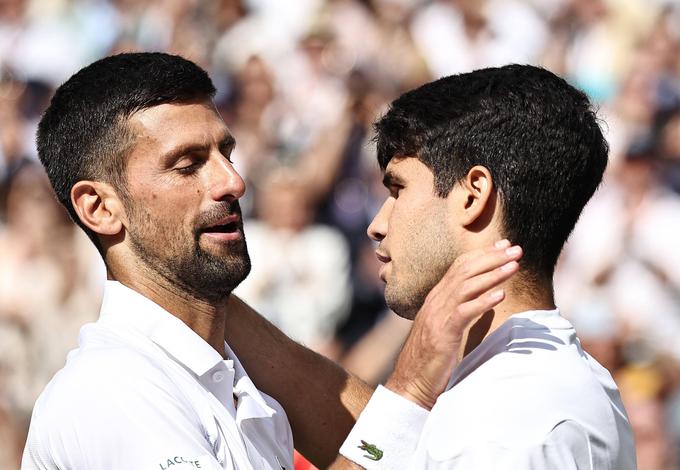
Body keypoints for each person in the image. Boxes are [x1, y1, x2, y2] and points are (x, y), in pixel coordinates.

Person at [22, 52, 521, 470]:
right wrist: (409, 387)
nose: (232, 182)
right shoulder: (113, 392)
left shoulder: (235, 378)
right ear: (100, 207)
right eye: (187, 164)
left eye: (226, 152)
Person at [225, 65, 637, 469]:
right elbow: (329, 403)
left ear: (472, 195)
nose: (377, 225)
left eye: (398, 189)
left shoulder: (502, 425)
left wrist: (410, 389)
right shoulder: (537, 385)